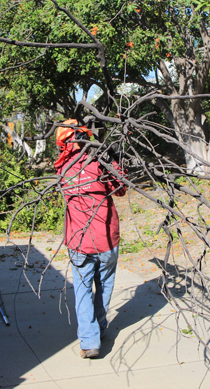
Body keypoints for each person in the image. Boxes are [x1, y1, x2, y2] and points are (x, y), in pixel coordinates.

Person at [55, 119, 127, 359]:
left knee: (84, 289)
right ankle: (100, 328)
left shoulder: (61, 168)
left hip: (79, 241)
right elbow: (122, 188)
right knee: (104, 286)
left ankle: (89, 341)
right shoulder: (100, 163)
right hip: (106, 238)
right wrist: (115, 160)